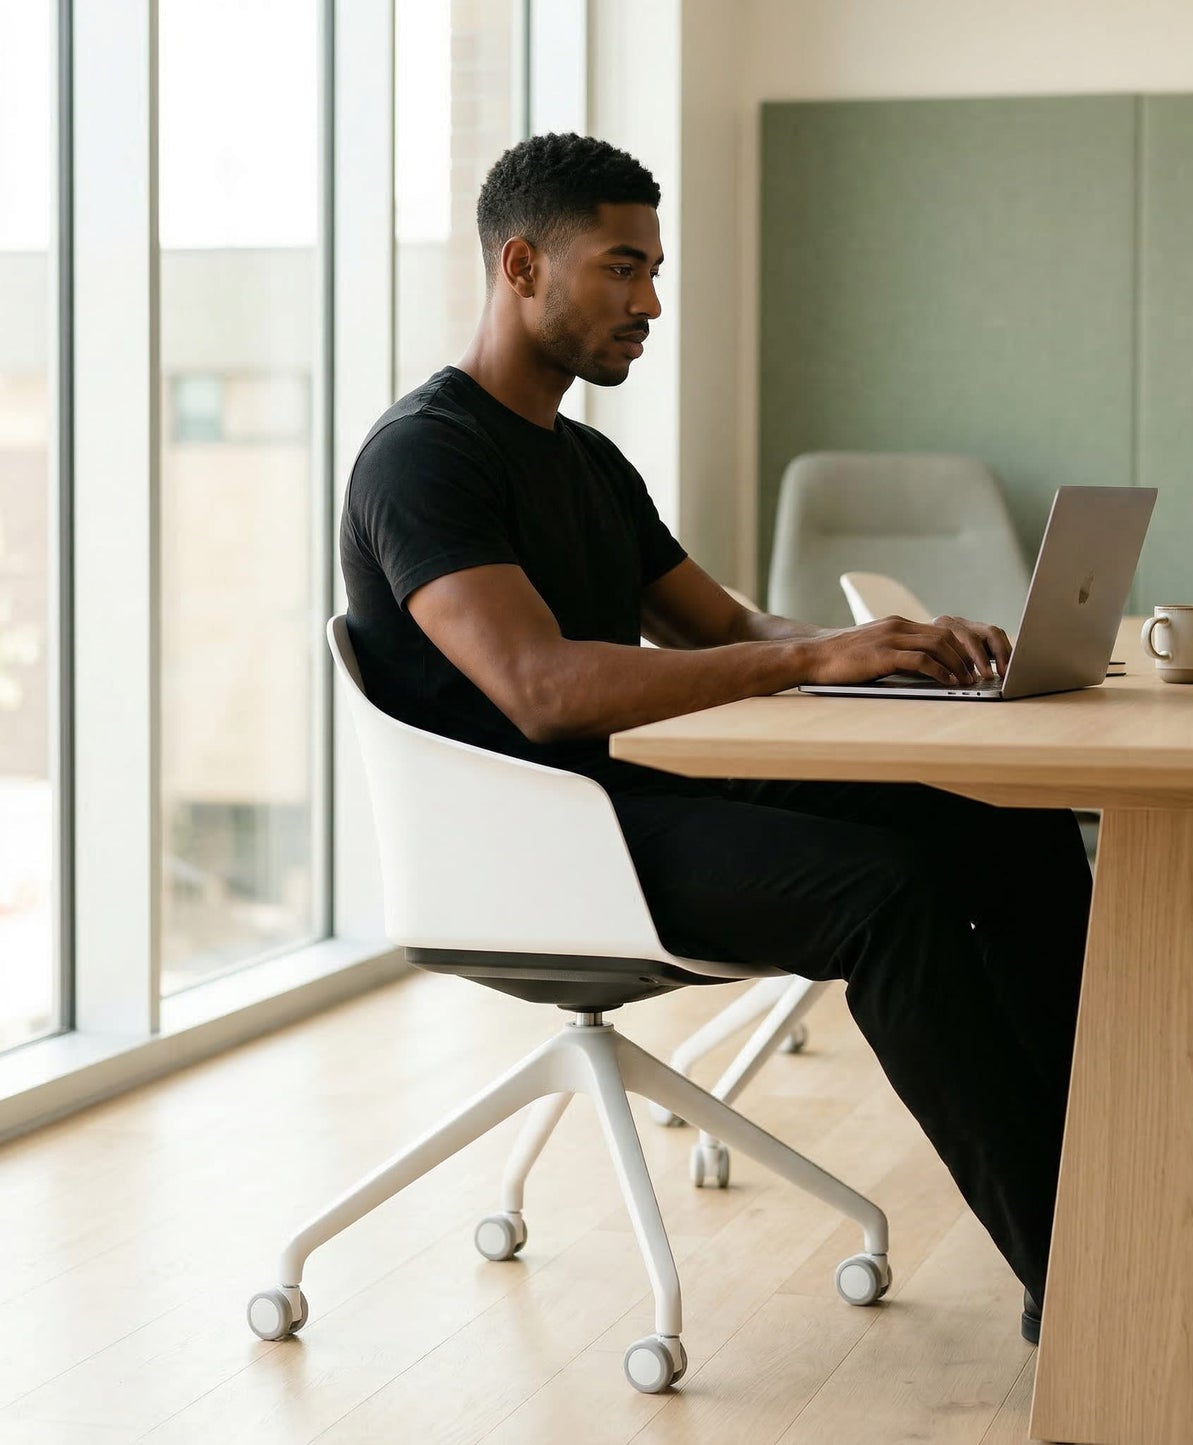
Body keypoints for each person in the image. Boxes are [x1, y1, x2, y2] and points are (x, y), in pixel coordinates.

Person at [340, 132, 1091, 1344]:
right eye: (620, 268)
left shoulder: (585, 459)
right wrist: (803, 659)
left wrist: (889, 653)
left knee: (1000, 819)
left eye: (654, 270)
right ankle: (1080, 1280)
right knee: (886, 891)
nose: (647, 302)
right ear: (521, 265)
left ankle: (1115, 1193)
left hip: (632, 803)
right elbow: (537, 689)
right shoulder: (424, 457)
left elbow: (726, 622)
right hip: (541, 846)